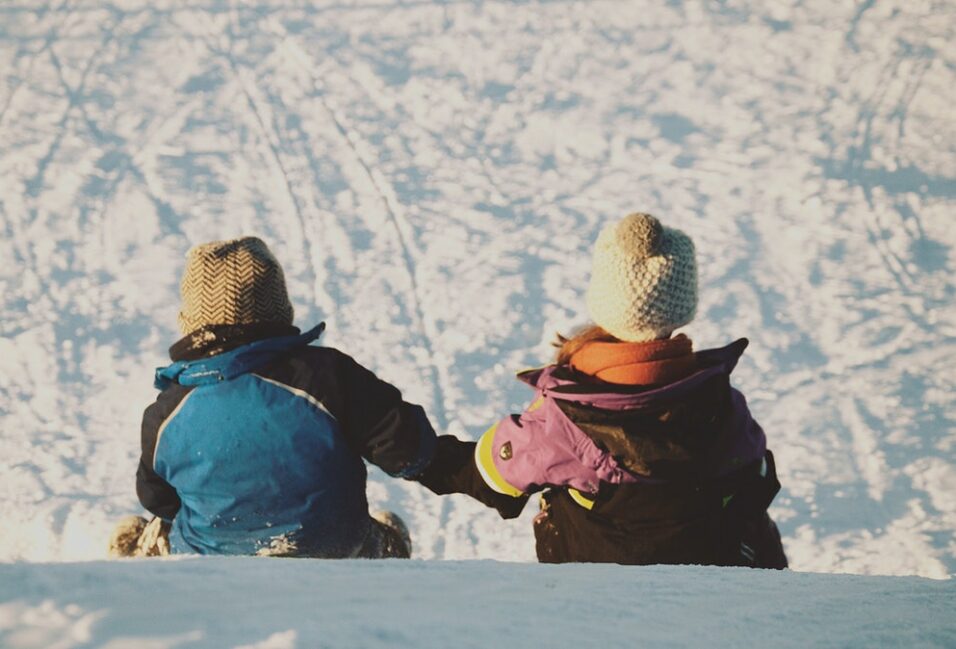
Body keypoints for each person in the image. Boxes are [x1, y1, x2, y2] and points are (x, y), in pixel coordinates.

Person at [109, 236, 513, 559]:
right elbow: (410, 451)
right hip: (333, 551)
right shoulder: (326, 376)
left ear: (192, 322)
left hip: (213, 561)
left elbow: (157, 498)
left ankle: (151, 548)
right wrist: (493, 475)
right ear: (278, 310)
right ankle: (388, 549)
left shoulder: (167, 410)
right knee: (375, 538)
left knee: (168, 524)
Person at [470, 213, 788, 567]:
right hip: (705, 580)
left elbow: (493, 471)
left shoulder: (560, 421)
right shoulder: (725, 408)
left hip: (588, 579)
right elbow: (754, 481)